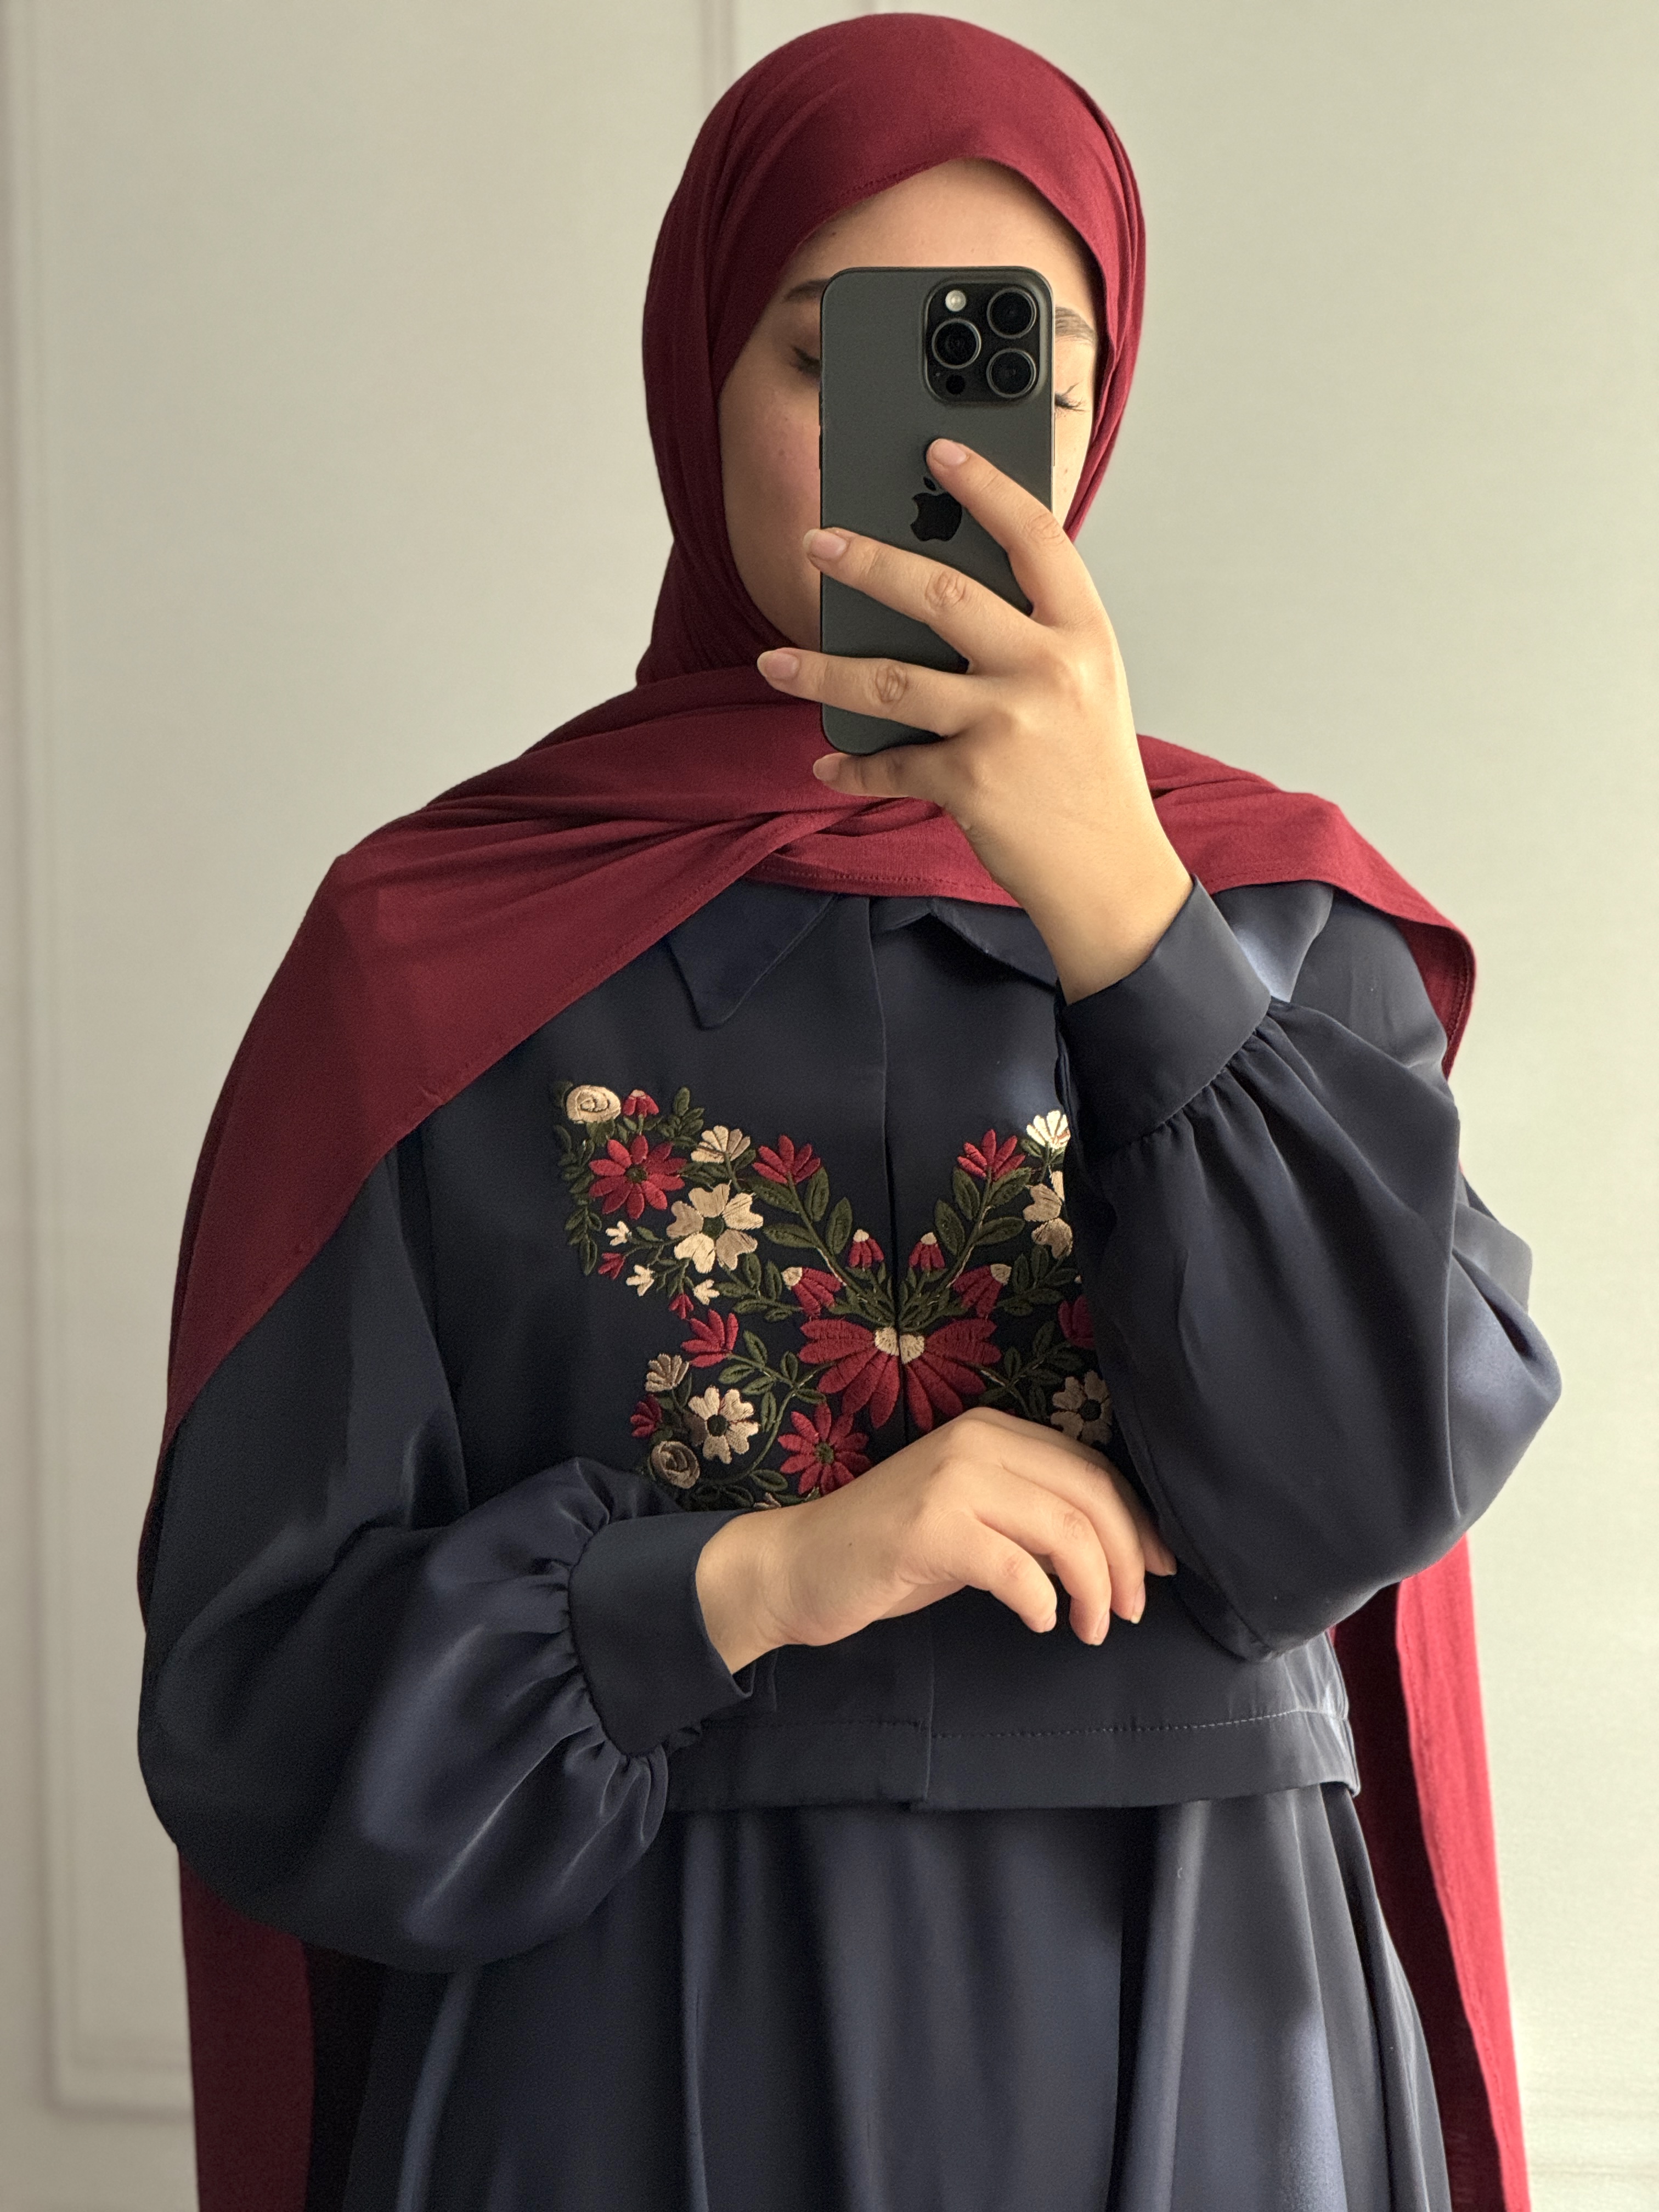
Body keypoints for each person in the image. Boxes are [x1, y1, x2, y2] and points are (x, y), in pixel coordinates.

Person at [137, 17, 1559, 2212]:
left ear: (1097, 414)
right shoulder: (439, 958)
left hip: (1203, 2058)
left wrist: (1124, 909)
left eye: (1014, 368)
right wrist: (753, 1582)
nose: (944, 452)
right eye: (843, 354)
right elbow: (262, 1715)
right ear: (699, 372)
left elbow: (1367, 1493)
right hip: (615, 2066)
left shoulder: (1282, 929)